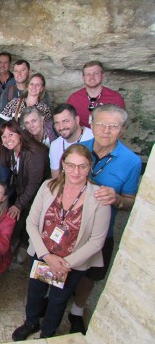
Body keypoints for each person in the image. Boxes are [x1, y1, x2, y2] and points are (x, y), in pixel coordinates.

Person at [11, 144, 111, 340]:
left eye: (82, 166)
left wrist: (64, 264)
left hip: (72, 263)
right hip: (43, 254)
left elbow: (97, 242)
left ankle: (48, 333)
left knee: (58, 299)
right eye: (71, 165)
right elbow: (31, 222)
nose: (76, 171)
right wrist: (47, 257)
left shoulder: (99, 197)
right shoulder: (48, 186)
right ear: (63, 164)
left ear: (90, 167)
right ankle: (31, 321)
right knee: (35, 293)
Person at [68, 104, 141, 334]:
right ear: (91, 124)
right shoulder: (78, 149)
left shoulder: (131, 162)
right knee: (65, 266)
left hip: (101, 231)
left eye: (113, 126)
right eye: (100, 124)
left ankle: (77, 310)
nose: (106, 130)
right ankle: (58, 301)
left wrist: (117, 198)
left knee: (91, 273)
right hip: (71, 225)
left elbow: (131, 203)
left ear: (123, 130)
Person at [0, 120, 51, 263]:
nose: (8, 139)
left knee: (28, 216)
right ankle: (14, 241)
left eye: (11, 134)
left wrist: (19, 204)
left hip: (40, 193)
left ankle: (25, 244)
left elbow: (34, 183)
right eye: (4, 136)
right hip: (23, 189)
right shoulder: (11, 152)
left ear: (20, 134)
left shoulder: (35, 153)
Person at [67, 61, 125, 128]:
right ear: (83, 77)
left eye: (96, 73)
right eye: (88, 74)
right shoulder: (74, 99)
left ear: (102, 75)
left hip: (107, 136)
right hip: (82, 137)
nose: (92, 77)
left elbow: (120, 125)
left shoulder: (115, 98)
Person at [49, 104, 93, 178]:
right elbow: (56, 177)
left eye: (65, 121)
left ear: (77, 120)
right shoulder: (55, 145)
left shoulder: (93, 137)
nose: (61, 127)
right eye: (57, 123)